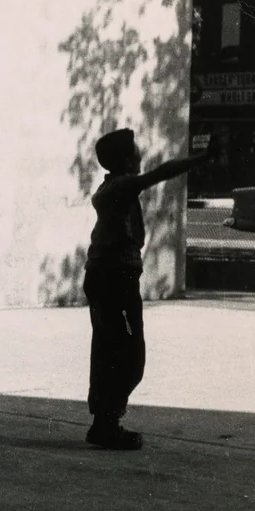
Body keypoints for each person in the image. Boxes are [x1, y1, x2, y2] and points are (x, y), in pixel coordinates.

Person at [84, 128, 213, 450]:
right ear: (126, 159)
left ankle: (104, 421)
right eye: (136, 151)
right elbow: (160, 173)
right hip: (115, 279)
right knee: (128, 355)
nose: (141, 156)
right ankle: (107, 422)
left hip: (106, 276)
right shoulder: (121, 186)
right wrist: (201, 159)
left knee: (108, 350)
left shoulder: (111, 188)